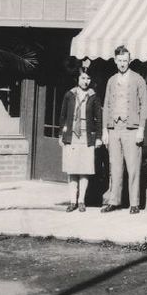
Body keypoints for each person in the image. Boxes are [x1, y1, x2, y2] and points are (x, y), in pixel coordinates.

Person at [101, 45, 147, 213]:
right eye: (119, 61)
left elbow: (144, 106)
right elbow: (106, 106)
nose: (122, 63)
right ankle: (114, 200)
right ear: (115, 61)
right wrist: (105, 130)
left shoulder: (138, 80)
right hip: (114, 128)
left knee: (133, 166)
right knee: (115, 166)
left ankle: (134, 203)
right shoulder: (111, 81)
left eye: (125, 61)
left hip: (132, 129)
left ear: (130, 60)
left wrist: (141, 128)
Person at [59, 69, 102, 211]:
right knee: (72, 170)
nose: (86, 81)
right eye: (83, 78)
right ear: (78, 79)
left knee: (84, 170)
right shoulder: (69, 95)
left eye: (88, 78)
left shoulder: (93, 96)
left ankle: (81, 200)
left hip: (86, 137)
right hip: (72, 136)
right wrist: (61, 134)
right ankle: (72, 201)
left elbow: (99, 119)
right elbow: (63, 116)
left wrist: (98, 138)